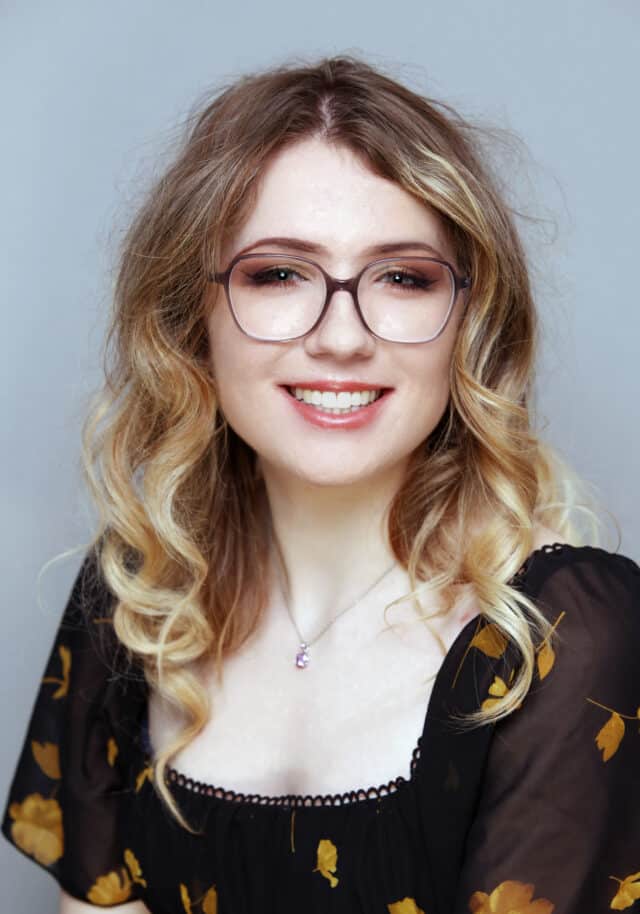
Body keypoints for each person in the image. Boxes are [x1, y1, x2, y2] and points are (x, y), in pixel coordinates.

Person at [2, 54, 639, 914]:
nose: (342, 337)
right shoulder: (136, 594)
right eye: (278, 274)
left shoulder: (563, 638)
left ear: (469, 323)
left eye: (403, 278)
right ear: (193, 318)